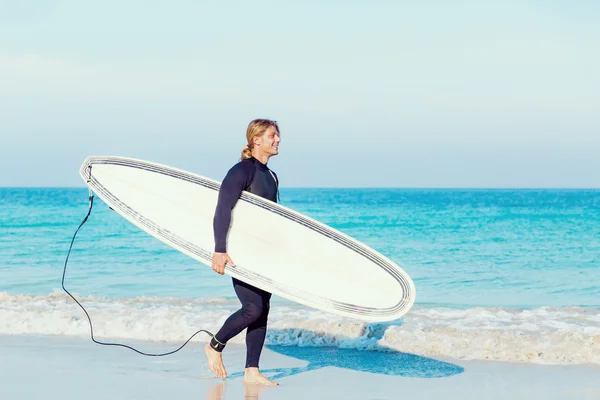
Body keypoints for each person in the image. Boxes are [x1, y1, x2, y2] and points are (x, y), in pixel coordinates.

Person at [204, 118, 281, 386]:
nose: (278, 140)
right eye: (272, 135)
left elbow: (270, 219)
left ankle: (252, 370)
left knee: (263, 309)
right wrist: (219, 250)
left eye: (278, 136)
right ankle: (215, 345)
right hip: (242, 252)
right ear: (256, 139)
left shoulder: (271, 176)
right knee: (252, 308)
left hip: (264, 254)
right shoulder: (241, 171)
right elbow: (222, 209)